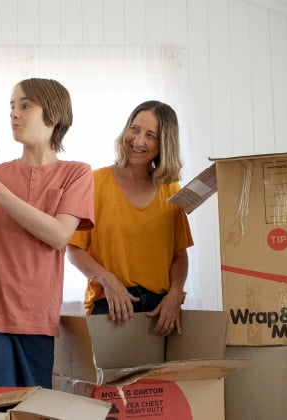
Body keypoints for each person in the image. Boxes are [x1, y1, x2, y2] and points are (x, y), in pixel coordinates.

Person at [0, 78, 95, 388]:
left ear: (54, 114)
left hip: (37, 316)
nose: (14, 113)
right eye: (12, 105)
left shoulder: (76, 173)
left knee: (32, 411)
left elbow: (59, 235)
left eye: (25, 105)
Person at [67, 100, 193, 337]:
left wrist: (176, 293)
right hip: (111, 304)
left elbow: (179, 255)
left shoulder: (171, 190)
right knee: (112, 376)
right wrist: (107, 280)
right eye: (134, 129)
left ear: (164, 144)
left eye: (150, 135)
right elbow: (74, 250)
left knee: (158, 376)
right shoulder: (94, 183)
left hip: (160, 309)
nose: (138, 141)